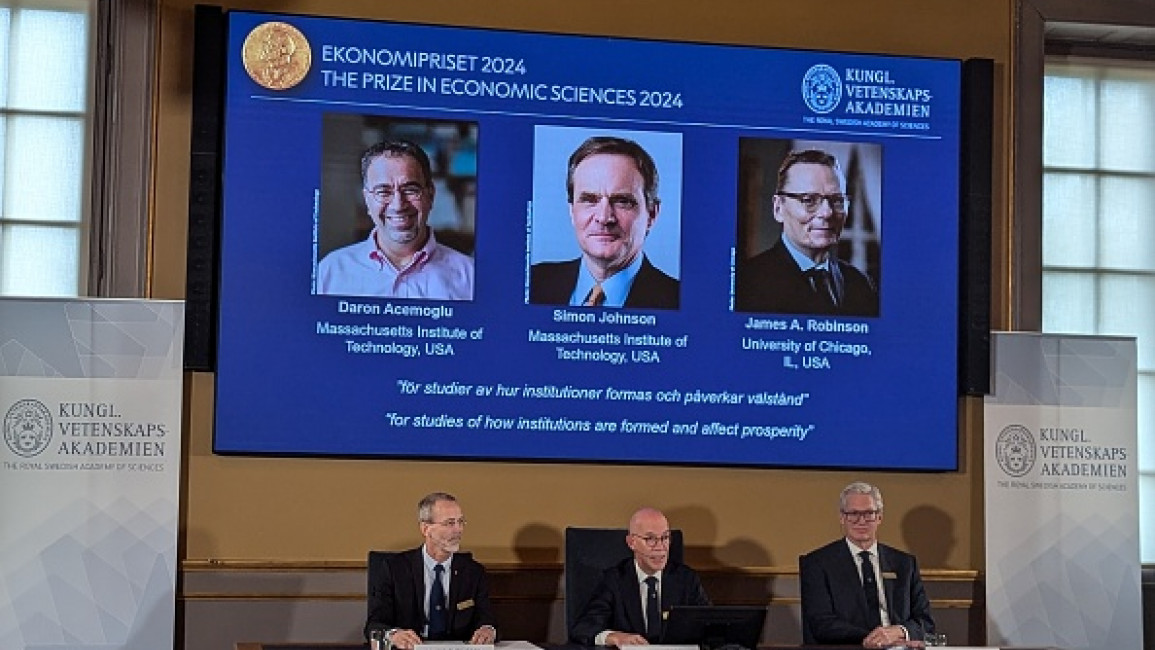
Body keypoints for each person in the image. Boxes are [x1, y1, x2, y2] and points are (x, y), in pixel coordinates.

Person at [530, 136, 679, 309]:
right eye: (589, 200)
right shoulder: (532, 283)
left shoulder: (678, 300)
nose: (604, 217)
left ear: (651, 214)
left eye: (622, 201)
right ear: (572, 211)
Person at [318, 139, 474, 300]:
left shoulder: (470, 277)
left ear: (431, 195)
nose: (398, 205)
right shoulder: (330, 272)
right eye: (383, 192)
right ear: (367, 200)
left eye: (410, 190)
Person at [735, 149, 878, 316]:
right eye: (809, 200)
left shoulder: (861, 284)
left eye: (837, 201)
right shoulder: (745, 282)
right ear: (778, 208)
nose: (827, 213)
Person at [799, 482, 934, 647]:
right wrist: (876, 638)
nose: (861, 521)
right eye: (853, 513)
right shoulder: (817, 563)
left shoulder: (905, 564)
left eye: (869, 513)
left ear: (879, 517)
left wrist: (898, 631)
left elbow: (925, 622)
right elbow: (821, 624)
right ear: (842, 517)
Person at [364, 492, 496, 648]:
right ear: (425, 528)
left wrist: (488, 630)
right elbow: (375, 624)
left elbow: (487, 619)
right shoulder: (394, 569)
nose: (458, 530)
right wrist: (394, 635)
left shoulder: (473, 572)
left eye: (461, 522)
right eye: (450, 523)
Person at [569, 507, 710, 646]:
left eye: (665, 537)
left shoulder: (686, 580)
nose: (660, 547)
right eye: (650, 539)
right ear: (631, 542)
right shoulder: (614, 581)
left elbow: (711, 626)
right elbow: (583, 629)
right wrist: (613, 637)